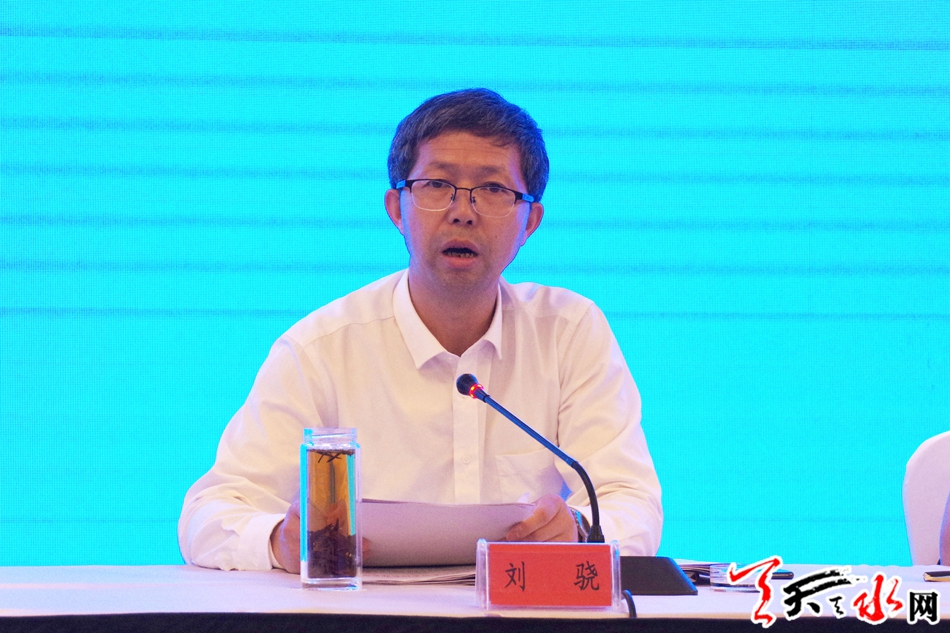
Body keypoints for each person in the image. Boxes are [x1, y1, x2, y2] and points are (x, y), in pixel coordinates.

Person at [178, 88, 663, 572]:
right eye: (436, 185)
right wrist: (278, 542)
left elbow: (629, 497)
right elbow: (212, 512)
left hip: (519, 607)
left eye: (493, 190)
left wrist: (580, 530)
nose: (463, 211)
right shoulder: (321, 350)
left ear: (530, 221)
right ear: (397, 208)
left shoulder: (568, 332)